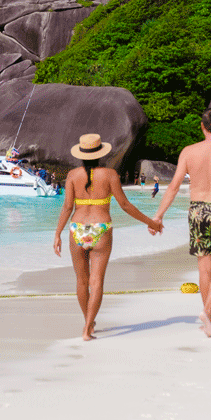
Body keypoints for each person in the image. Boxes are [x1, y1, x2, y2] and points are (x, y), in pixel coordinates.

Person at [152, 107, 211, 339]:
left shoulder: (189, 152)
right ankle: (207, 312)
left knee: (205, 269)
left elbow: (174, 186)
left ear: (202, 126)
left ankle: (210, 322)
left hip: (198, 211)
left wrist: (159, 215)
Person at [54, 134, 161, 341]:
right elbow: (125, 205)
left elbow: (67, 207)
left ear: (81, 155)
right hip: (101, 228)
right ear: (100, 154)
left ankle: (88, 322)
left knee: (81, 281)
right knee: (96, 281)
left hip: (76, 228)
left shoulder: (72, 175)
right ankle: (87, 328)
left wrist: (57, 233)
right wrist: (151, 222)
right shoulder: (110, 174)